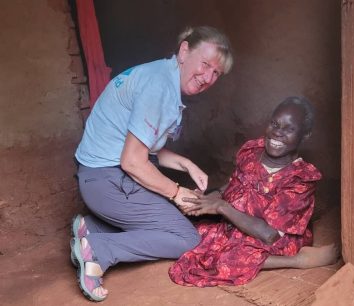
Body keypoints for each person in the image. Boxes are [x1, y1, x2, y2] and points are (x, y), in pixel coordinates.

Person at [70, 26, 233, 301]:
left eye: (216, 73)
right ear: (184, 50)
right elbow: (133, 162)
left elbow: (144, 146)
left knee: (166, 213)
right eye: (205, 64)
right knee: (186, 237)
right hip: (108, 182)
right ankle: (98, 250)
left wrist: (187, 164)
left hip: (97, 178)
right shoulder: (160, 88)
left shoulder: (160, 75)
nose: (207, 77)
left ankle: (91, 227)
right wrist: (178, 193)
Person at [169, 96, 339, 287]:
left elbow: (269, 234)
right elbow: (234, 183)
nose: (277, 133)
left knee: (229, 259)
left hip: (270, 236)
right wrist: (210, 198)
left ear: (305, 135)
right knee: (189, 234)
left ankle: (298, 260)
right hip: (235, 222)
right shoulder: (252, 150)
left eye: (289, 129)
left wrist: (221, 207)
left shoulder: (299, 179)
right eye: (275, 124)